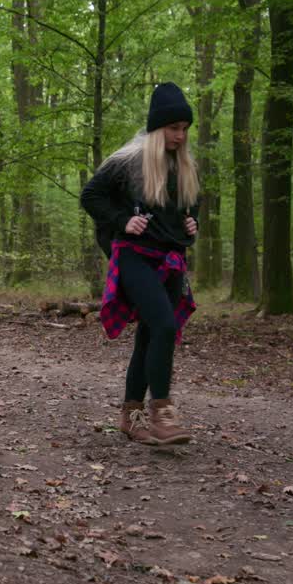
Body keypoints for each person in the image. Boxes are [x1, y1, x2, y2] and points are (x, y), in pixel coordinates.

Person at [80, 82, 200, 446]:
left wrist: (193, 224)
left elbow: (190, 208)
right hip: (132, 256)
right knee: (163, 324)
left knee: (149, 335)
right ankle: (161, 412)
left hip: (169, 259)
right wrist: (122, 221)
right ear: (157, 127)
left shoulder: (184, 167)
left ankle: (130, 417)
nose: (180, 136)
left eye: (184, 129)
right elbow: (91, 195)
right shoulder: (129, 160)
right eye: (173, 128)